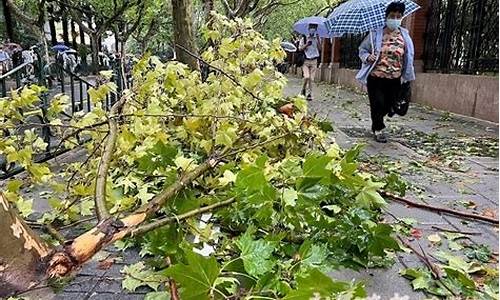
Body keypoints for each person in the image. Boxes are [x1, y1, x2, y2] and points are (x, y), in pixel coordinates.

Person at [356, 2, 415, 143]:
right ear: (386, 16)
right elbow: (362, 50)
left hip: (395, 78)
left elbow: (409, 56)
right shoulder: (375, 34)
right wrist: (367, 57)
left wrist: (407, 76)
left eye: (398, 16)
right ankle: (378, 129)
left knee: (389, 105)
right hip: (376, 77)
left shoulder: (405, 35)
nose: (395, 19)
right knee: (377, 103)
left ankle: (378, 119)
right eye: (392, 16)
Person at [299, 23, 321, 101]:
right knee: (306, 77)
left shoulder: (317, 38)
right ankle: (303, 89)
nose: (313, 29)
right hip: (306, 61)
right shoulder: (304, 37)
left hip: (314, 60)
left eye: (314, 28)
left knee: (311, 79)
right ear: (308, 28)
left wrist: (318, 39)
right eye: (311, 27)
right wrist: (306, 44)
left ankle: (310, 94)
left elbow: (320, 48)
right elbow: (300, 48)